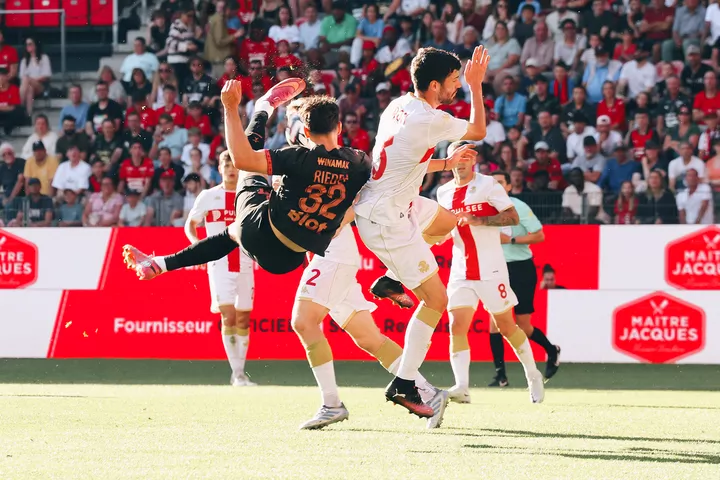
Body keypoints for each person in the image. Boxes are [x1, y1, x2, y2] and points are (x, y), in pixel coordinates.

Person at [122, 78, 369, 290]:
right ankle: (160, 264)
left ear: (304, 130)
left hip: (260, 232)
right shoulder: (359, 162)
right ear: (339, 127)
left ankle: (264, 106)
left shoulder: (298, 157)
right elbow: (365, 196)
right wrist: (335, 223)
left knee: (248, 175)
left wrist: (230, 108)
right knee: (233, 230)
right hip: (289, 260)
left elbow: (241, 159)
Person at [353, 47, 489, 417]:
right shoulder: (430, 118)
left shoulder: (399, 105)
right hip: (387, 219)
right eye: (454, 80)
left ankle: (390, 279)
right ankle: (404, 383)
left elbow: (406, 160)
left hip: (396, 202)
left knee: (446, 222)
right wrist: (477, 86)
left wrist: (447, 162)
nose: (458, 85)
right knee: (436, 300)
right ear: (433, 86)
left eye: (461, 80)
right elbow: (478, 131)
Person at [435, 144, 545, 404]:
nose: (461, 162)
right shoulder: (443, 192)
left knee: (507, 326)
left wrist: (480, 220)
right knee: (456, 325)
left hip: (491, 269)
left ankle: (533, 374)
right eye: (457, 157)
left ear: (473, 160)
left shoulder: (488, 185)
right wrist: (437, 235)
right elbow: (448, 227)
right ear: (450, 160)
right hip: (460, 269)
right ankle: (462, 387)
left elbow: (512, 217)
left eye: (466, 157)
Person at [185, 152, 256, 387]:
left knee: (243, 318)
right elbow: (190, 224)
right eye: (226, 165)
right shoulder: (208, 196)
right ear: (220, 168)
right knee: (228, 316)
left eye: (234, 165)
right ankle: (237, 374)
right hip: (219, 264)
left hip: (245, 261)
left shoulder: (249, 196)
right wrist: (197, 246)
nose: (231, 169)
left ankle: (241, 372)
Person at [19, 37, 51, 116]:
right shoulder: (24, 61)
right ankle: (28, 114)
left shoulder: (44, 58)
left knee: (26, 79)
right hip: (28, 86)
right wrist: (29, 80)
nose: (28, 46)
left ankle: (20, 106)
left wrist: (31, 79)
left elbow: (46, 76)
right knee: (30, 89)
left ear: (35, 45)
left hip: (41, 86)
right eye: (26, 44)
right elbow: (21, 77)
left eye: (30, 44)